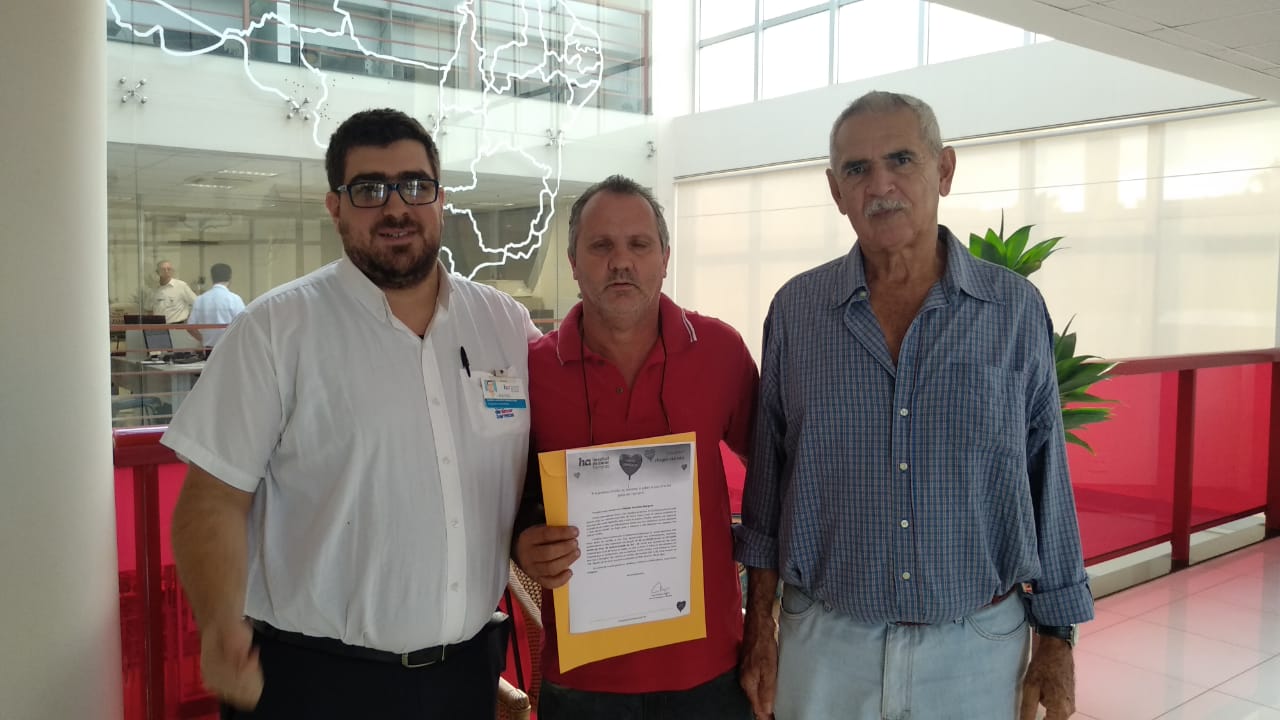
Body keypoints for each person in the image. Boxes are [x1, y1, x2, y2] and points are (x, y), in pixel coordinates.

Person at [164, 108, 540, 719]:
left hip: (464, 679)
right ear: (335, 207)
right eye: (369, 189)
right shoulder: (275, 330)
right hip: (311, 684)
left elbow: (541, 463)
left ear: (441, 199)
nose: (396, 207)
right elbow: (212, 499)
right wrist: (218, 623)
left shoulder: (504, 324)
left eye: (415, 185)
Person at [735, 91, 1094, 720]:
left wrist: (1057, 640)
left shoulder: (1013, 311)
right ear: (835, 190)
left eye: (902, 160)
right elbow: (767, 489)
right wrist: (758, 630)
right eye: (857, 169)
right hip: (824, 647)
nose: (880, 186)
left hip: (977, 649)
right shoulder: (796, 312)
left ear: (944, 170)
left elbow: (1047, 479)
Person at [513, 175, 759, 719]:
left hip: (709, 672)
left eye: (639, 245)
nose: (621, 261)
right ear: (573, 262)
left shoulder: (720, 351)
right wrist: (523, 542)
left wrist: (766, 625)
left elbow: (772, 482)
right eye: (601, 245)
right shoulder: (532, 369)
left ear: (665, 258)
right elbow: (511, 497)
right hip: (582, 680)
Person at [186, 263, 246, 348]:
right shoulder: (235, 299)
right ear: (230, 278)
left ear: (212, 277)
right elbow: (244, 325)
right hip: (229, 347)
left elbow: (190, 327)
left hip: (208, 349)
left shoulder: (200, 299)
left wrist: (204, 340)